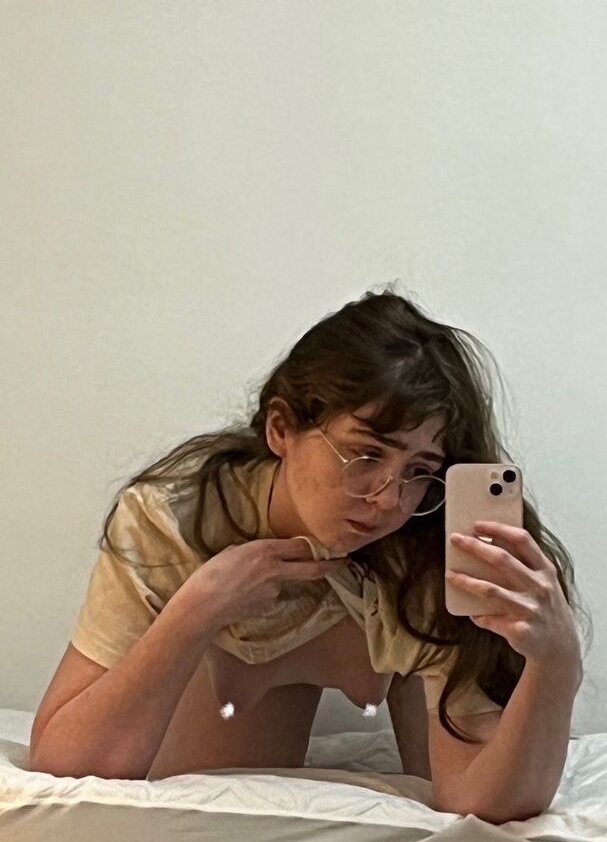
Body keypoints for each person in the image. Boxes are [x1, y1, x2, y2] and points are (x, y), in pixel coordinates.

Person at [29, 285, 590, 810]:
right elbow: (63, 761)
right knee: (223, 811)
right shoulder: (173, 520)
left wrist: (557, 663)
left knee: (445, 812)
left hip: (392, 619)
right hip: (233, 674)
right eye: (365, 454)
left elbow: (478, 799)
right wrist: (199, 608)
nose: (389, 499)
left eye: (419, 470)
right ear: (280, 429)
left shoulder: (423, 543)